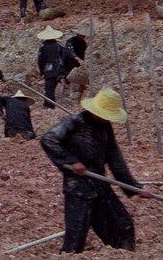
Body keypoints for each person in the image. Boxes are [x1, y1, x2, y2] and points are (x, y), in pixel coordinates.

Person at [41, 87, 151, 253]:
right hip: (78, 186)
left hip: (99, 183)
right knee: (76, 235)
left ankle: (123, 254)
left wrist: (135, 187)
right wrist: (72, 161)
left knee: (122, 224)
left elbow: (115, 159)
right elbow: (48, 139)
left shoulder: (105, 127)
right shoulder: (74, 122)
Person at [37, 26, 66, 107]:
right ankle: (58, 104)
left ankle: (49, 105)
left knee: (49, 89)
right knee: (57, 86)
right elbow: (64, 57)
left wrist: (41, 71)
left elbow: (41, 60)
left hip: (49, 70)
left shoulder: (43, 46)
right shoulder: (59, 45)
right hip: (59, 69)